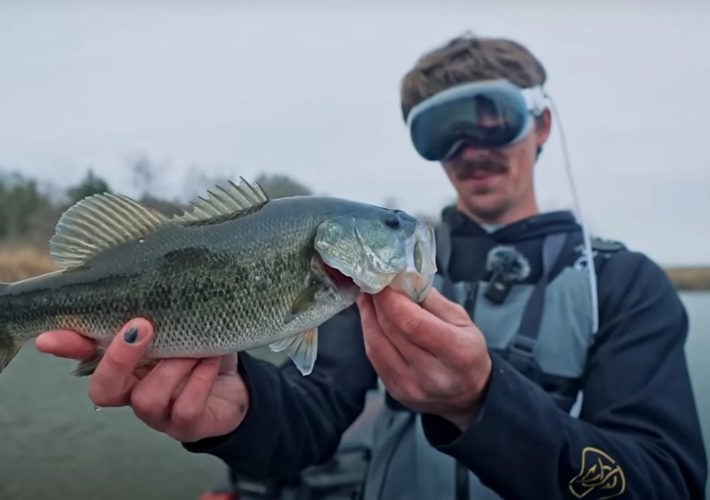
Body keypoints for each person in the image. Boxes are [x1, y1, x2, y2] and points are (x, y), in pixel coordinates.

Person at [37, 33, 708, 499]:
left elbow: (667, 484)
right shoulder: (365, 279)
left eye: (492, 119)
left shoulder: (626, 287)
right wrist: (240, 411)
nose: (471, 148)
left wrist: (484, 403)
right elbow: (314, 413)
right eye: (442, 131)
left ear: (541, 126)